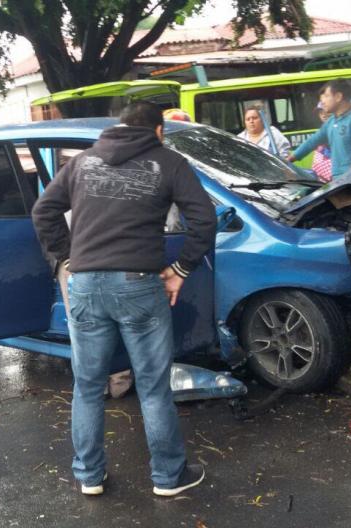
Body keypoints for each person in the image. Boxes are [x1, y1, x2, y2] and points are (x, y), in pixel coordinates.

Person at [32, 101, 217, 497]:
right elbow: (205, 220)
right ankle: (169, 477)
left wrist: (64, 258)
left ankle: (89, 476)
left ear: (120, 127)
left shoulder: (82, 162)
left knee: (87, 385)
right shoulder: (168, 162)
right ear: (159, 131)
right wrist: (181, 270)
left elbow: (43, 210)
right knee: (152, 387)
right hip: (139, 285)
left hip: (83, 285)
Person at [288, 79, 351, 178]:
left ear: (338, 96)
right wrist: (290, 159)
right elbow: (313, 141)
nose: (322, 101)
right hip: (338, 179)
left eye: (326, 96)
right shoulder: (331, 121)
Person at [311, 103, 334, 182]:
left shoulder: (337, 128)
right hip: (324, 176)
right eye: (321, 113)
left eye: (326, 112)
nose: (323, 115)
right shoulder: (322, 130)